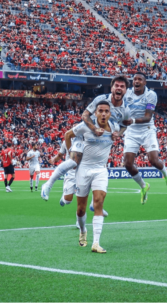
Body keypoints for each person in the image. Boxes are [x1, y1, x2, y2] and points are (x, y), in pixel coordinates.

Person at [41, 75, 130, 205]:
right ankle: (48, 185)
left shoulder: (126, 109)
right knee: (74, 161)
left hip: (101, 141)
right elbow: (85, 115)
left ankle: (87, 210)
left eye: (122, 86)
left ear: (126, 90)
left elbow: (124, 126)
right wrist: (93, 129)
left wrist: (118, 134)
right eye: (116, 85)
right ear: (112, 88)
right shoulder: (100, 99)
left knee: (94, 172)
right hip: (86, 133)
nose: (119, 88)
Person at [64, 101, 120, 253]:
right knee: (81, 209)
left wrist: (118, 135)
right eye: (100, 111)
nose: (103, 114)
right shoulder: (85, 126)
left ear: (110, 114)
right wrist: (72, 157)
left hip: (100, 170)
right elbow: (67, 135)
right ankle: (83, 230)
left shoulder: (114, 127)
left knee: (98, 202)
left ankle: (96, 243)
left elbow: (124, 129)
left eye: (106, 111)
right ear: (95, 113)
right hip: (83, 169)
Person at [122, 72, 167, 204]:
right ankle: (143, 186)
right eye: (135, 79)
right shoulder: (127, 93)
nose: (137, 81)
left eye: (140, 79)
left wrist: (132, 120)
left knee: (153, 160)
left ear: (145, 82)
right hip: (131, 131)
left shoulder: (151, 95)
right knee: (127, 164)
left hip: (147, 129)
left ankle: (166, 174)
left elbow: (148, 117)